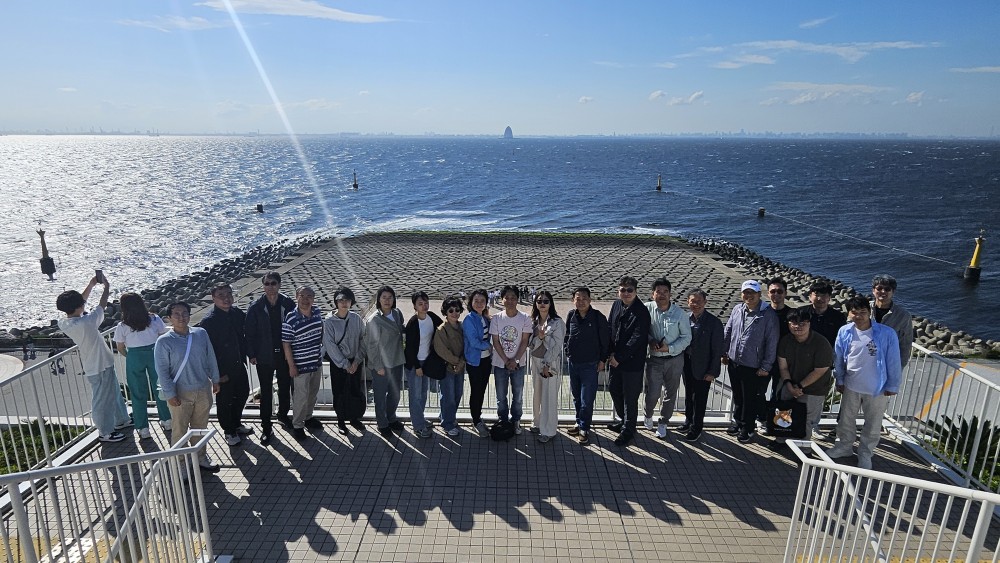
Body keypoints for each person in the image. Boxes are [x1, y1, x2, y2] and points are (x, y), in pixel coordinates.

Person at [826, 296, 902, 470]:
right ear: (849, 313)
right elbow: (839, 357)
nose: (859, 316)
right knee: (846, 420)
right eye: (855, 312)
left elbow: (893, 361)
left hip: (877, 387)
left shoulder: (886, 333)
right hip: (851, 384)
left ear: (870, 313)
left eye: (863, 312)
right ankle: (844, 447)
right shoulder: (845, 331)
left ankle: (866, 453)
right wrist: (840, 378)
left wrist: (893, 385)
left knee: (873, 423)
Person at [56, 275, 132, 443]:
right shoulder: (87, 322)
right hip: (99, 366)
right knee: (102, 400)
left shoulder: (65, 323)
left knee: (113, 393)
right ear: (79, 306)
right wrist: (106, 287)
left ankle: (121, 420)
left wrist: (91, 285)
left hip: (96, 364)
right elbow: (101, 306)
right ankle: (105, 432)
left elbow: (79, 304)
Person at [154, 302, 221, 472]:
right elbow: (162, 371)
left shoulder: (200, 333)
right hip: (179, 392)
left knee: (200, 427)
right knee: (179, 429)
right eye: (176, 314)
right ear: (169, 318)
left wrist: (215, 379)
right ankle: (181, 464)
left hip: (202, 388)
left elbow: (210, 357)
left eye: (184, 313)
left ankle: (200, 457)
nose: (181, 317)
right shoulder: (163, 341)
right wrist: (170, 394)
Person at [722, 279, 779, 444]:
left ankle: (748, 428)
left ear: (759, 294)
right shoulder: (737, 309)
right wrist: (724, 352)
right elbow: (728, 331)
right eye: (746, 292)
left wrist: (766, 366)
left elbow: (772, 342)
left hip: (753, 365)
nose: (749, 296)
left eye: (752, 293)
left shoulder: (768, 315)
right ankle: (738, 422)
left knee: (750, 399)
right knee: (738, 396)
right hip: (734, 361)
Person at [245, 271, 296, 446]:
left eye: (273, 283)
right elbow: (249, 332)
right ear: (263, 286)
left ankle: (283, 415)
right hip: (264, 356)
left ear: (279, 285)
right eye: (267, 284)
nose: (270, 287)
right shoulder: (256, 306)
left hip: (284, 354)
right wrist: (252, 354)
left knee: (285, 388)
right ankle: (266, 427)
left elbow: (295, 327)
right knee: (266, 393)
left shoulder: (287, 303)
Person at [771, 308, 834, 450]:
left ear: (809, 323)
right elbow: (783, 367)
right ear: (788, 324)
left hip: (813, 388)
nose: (798, 326)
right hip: (789, 384)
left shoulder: (821, 343)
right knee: (784, 413)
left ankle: (804, 449)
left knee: (806, 420)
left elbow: (820, 370)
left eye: (802, 323)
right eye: (794, 323)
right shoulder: (785, 341)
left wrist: (799, 386)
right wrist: (789, 385)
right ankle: (781, 440)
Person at [197, 283, 252, 447]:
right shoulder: (209, 321)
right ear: (213, 298)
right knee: (225, 400)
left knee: (243, 393)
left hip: (238, 363)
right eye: (221, 295)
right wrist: (216, 374)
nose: (226, 298)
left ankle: (236, 423)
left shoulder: (237, 313)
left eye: (229, 294)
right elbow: (205, 351)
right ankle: (228, 430)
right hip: (222, 369)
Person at [113, 292, 172, 440]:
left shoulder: (122, 325)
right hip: (154, 353)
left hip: (134, 356)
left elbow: (120, 347)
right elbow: (163, 336)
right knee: (160, 388)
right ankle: (167, 420)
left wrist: (130, 356)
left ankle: (143, 428)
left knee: (137, 393)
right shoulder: (154, 318)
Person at [642, 277, 691, 440]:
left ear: (670, 294)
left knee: (671, 393)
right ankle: (648, 414)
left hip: (675, 359)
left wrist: (669, 348)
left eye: (665, 292)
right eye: (658, 292)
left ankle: (663, 422)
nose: (662, 295)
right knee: (653, 393)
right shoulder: (646, 309)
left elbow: (686, 337)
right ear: (652, 294)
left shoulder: (680, 314)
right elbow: (641, 330)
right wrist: (651, 341)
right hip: (654, 359)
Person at [606, 276, 652, 447]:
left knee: (630, 397)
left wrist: (619, 357)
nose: (626, 293)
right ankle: (624, 421)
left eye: (630, 290)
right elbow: (610, 328)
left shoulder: (642, 311)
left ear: (636, 291)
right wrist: (610, 353)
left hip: (631, 363)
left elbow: (637, 338)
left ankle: (628, 430)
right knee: (614, 389)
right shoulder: (616, 305)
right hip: (615, 359)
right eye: (623, 290)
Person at [563, 286, 610, 446]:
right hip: (573, 363)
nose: (581, 301)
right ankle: (578, 422)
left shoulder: (598, 317)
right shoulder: (571, 315)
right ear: (573, 300)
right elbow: (567, 335)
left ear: (590, 300)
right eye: (578, 298)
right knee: (576, 396)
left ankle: (584, 428)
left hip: (590, 364)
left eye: (584, 298)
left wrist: (602, 360)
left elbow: (605, 340)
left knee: (586, 399)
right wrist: (567, 351)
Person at [281, 286, 324, 442]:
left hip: (316, 362)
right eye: (302, 296)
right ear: (296, 297)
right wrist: (291, 366)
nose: (305, 299)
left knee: (313, 393)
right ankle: (298, 425)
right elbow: (286, 344)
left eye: (309, 296)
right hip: (300, 365)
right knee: (300, 396)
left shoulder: (317, 312)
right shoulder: (291, 318)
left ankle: (308, 417)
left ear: (313, 298)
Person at [321, 287, 365, 435]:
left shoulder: (356, 318)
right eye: (341, 300)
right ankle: (341, 420)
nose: (344, 303)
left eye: (347, 300)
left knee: (355, 389)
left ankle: (354, 418)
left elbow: (363, 339)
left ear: (352, 302)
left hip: (355, 361)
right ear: (336, 302)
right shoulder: (329, 321)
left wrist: (357, 360)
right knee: (339, 391)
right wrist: (345, 364)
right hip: (338, 363)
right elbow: (329, 345)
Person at [681, 289, 724, 442]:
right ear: (688, 302)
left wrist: (712, 371)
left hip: (704, 367)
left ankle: (696, 428)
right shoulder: (685, 319)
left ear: (705, 302)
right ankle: (688, 421)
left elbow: (717, 350)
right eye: (693, 301)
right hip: (687, 363)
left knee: (700, 399)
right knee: (689, 395)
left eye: (699, 301)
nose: (696, 304)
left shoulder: (714, 322)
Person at [364, 285, 406, 440]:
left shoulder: (397, 313)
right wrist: (377, 366)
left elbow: (401, 329)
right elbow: (371, 345)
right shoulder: (374, 319)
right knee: (380, 396)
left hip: (397, 360)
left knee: (395, 394)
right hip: (381, 364)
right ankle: (382, 424)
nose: (387, 300)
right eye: (384, 297)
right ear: (378, 300)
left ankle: (391, 418)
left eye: (390, 297)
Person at [490, 285, 533, 435]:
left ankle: (516, 420)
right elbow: (495, 341)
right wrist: (506, 360)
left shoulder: (525, 318)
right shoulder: (496, 318)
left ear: (517, 299)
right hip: (500, 363)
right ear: (502, 300)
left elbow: (524, 341)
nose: (510, 301)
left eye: (513, 298)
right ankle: (503, 419)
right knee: (501, 396)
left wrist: (515, 360)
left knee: (518, 396)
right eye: (506, 298)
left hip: (519, 364)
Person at [404, 291, 443, 439]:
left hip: (426, 361)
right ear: (414, 306)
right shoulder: (413, 323)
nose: (424, 306)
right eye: (420, 304)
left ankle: (419, 418)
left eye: (426, 303)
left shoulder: (431, 316)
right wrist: (417, 367)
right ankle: (418, 426)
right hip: (415, 363)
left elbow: (444, 326)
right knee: (415, 395)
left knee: (423, 393)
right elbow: (409, 349)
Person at [528, 290, 565, 444]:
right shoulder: (533, 321)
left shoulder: (557, 322)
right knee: (537, 393)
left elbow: (557, 346)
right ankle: (537, 422)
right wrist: (539, 337)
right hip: (535, 360)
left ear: (551, 304)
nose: (542, 304)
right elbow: (530, 344)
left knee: (549, 396)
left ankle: (548, 430)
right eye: (539, 301)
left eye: (545, 301)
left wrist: (547, 363)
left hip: (550, 363)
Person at [433, 296, 467, 438]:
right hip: (447, 368)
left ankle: (447, 416)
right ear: (445, 312)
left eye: (457, 310)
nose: (454, 313)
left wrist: (461, 362)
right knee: (449, 396)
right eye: (451, 310)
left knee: (457, 394)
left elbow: (467, 345)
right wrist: (456, 362)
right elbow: (441, 350)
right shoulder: (441, 329)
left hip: (460, 367)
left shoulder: (462, 327)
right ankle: (447, 423)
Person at [462, 289, 493, 437]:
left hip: (485, 360)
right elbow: (474, 342)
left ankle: (478, 418)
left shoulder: (484, 317)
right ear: (471, 302)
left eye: (482, 301)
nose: (479, 303)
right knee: (476, 391)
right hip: (475, 361)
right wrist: (489, 346)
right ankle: (476, 421)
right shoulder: (469, 319)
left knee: (481, 390)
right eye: (476, 301)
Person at [871, 274, 913, 368]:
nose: (883, 291)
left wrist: (899, 367)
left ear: (893, 292)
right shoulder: (864, 310)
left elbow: (905, 344)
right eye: (879, 288)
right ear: (873, 290)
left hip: (887, 364)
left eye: (887, 289)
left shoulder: (903, 316)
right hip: (864, 362)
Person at [801, 281, 846, 347]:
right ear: (810, 296)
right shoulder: (801, 313)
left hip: (829, 350)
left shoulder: (838, 316)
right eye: (816, 295)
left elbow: (842, 338)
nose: (820, 299)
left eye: (824, 295)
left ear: (829, 298)